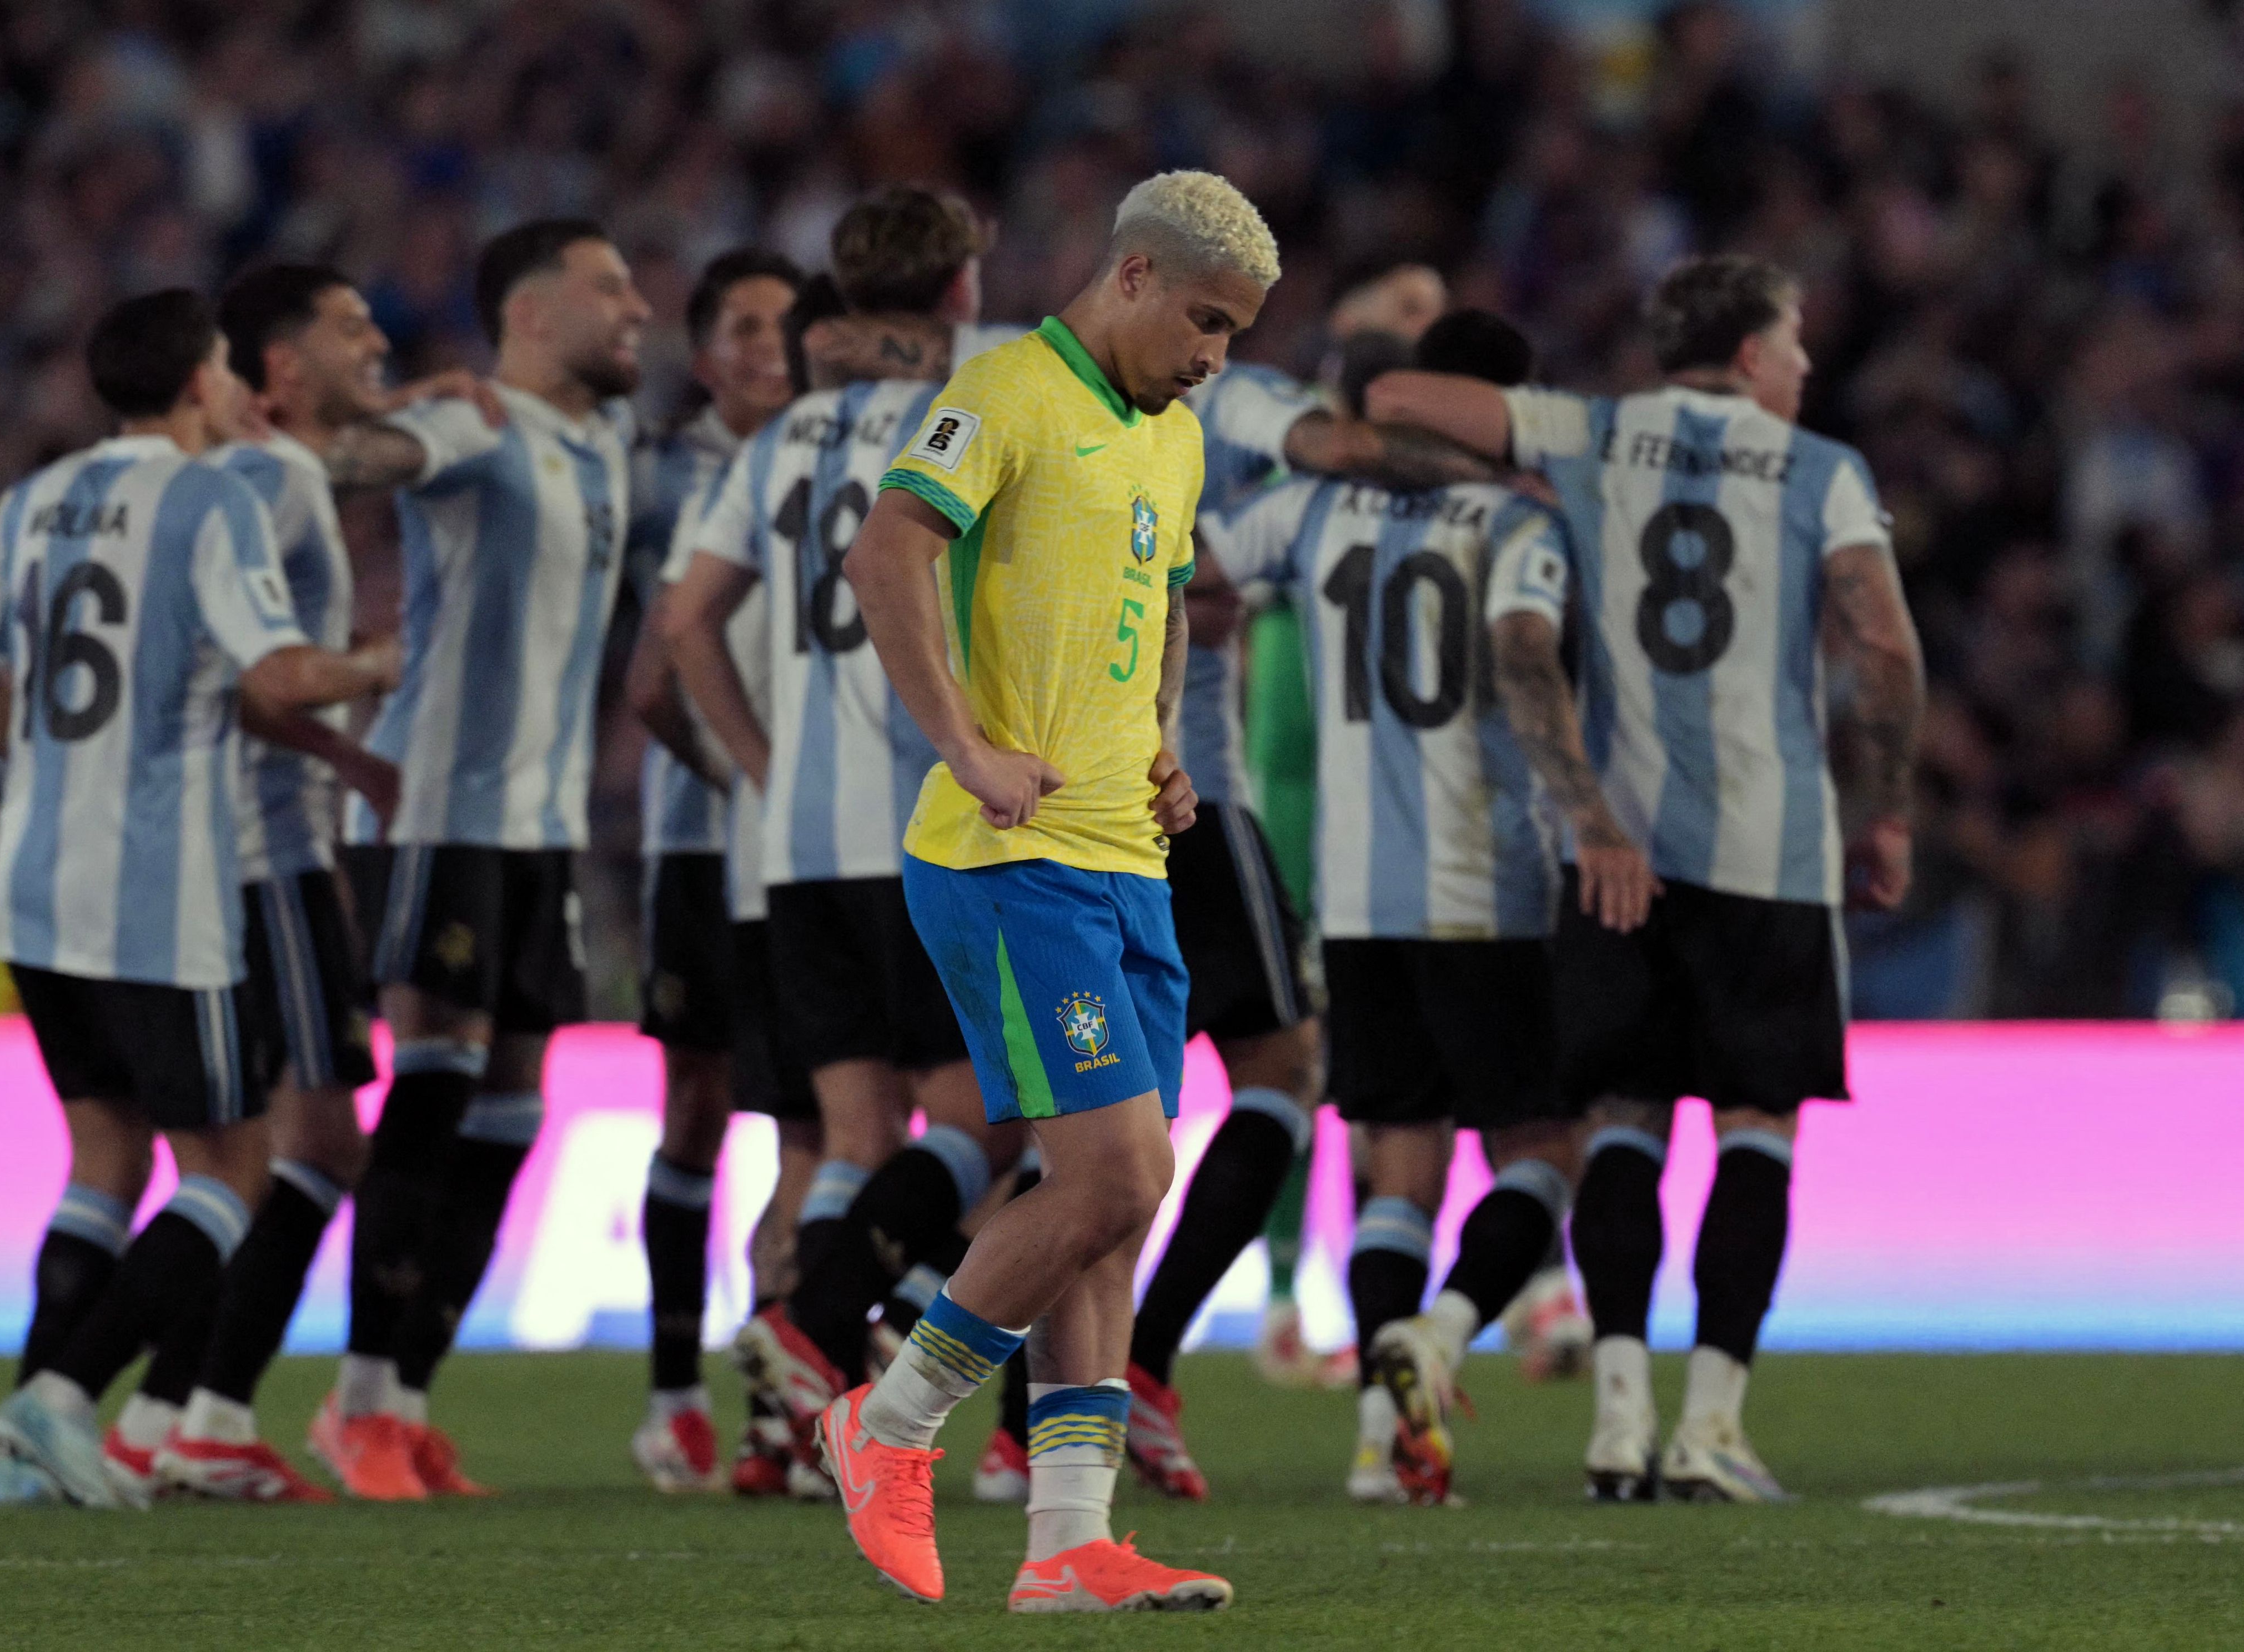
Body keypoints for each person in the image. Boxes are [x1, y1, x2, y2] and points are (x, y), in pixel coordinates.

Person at [1364, 255, 1924, 1501]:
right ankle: (1711, 1427)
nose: (1805, 368)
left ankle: (1618, 1425)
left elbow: (1404, 395)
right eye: (1791, 345)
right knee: (1754, 1134)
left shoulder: (1595, 433)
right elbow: (1883, 646)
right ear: (1745, 356)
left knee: (1620, 1120)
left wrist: (1514, 453)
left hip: (1614, 851)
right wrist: (1882, 814)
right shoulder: (1824, 470)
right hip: (1766, 848)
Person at [821, 169, 1284, 1614]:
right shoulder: (1005, 392)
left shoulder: (1175, 439)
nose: (1214, 356)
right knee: (1117, 1173)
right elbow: (887, 548)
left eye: (1237, 337)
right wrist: (962, 740)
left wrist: (1156, 746)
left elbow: (1155, 615)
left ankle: (1069, 1542)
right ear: (1136, 277)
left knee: (1106, 1210)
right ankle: (882, 1425)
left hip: (1121, 853)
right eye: (1206, 321)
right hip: (1007, 859)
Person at [0, 288, 399, 1508]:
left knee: (101, 1156)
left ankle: (15, 1463)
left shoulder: (35, 499)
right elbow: (282, 674)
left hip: (33, 878)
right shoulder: (211, 496)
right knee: (231, 1171)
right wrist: (394, 659)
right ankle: (64, 1396)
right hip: (155, 891)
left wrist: (48, 762)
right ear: (199, 382)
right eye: (228, 366)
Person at [1211, 310, 1655, 1505]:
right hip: (1486, 886)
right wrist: (1592, 815)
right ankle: (1444, 1332)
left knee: (1396, 1166)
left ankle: (1378, 1438)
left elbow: (1191, 569)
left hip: (1353, 896)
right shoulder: (1519, 521)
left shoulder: (1312, 512)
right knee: (1542, 1151)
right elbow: (1521, 654)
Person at [666, 189, 1020, 1457]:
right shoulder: (974, 407)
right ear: (961, 290)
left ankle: (786, 1421)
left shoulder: (785, 435)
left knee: (855, 1137)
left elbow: (685, 619)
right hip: (926, 825)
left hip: (798, 843)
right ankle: (821, 1330)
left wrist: (760, 761)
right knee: (995, 1122)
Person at [319, 218, 650, 1498]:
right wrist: (385, 407)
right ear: (530, 311)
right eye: (610, 287)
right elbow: (360, 455)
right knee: (439, 1088)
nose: (638, 310)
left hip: (541, 830)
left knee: (513, 1112)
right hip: (438, 814)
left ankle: (404, 1397)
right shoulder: (476, 424)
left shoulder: (606, 441)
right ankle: (356, 1404)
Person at [99, 263, 407, 1503]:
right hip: (258, 848)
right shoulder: (266, 480)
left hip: (257, 844)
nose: (374, 336)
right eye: (349, 326)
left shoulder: (257, 474)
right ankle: (193, 1407)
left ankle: (176, 1409)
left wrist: (343, 766)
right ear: (275, 369)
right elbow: (251, 677)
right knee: (319, 1141)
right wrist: (373, 690)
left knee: (283, 1146)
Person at [614, 246, 810, 1493]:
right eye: (741, 326)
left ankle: (784, 1384)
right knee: (702, 1104)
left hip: (801, 849)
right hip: (702, 841)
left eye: (784, 325)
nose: (767, 346)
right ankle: (679, 1388)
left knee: (814, 1121)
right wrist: (739, 765)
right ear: (704, 357)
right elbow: (649, 663)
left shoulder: (837, 460)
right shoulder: (661, 475)